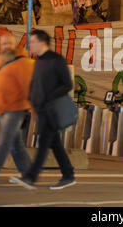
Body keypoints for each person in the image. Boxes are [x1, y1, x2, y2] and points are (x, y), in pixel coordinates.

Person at [12, 30, 76, 190]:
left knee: (43, 144)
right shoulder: (38, 61)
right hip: (41, 110)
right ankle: (68, 175)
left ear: (42, 42)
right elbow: (35, 85)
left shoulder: (56, 60)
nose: (30, 45)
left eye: (32, 41)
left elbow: (67, 84)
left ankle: (30, 178)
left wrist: (49, 97)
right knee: (54, 144)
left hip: (52, 110)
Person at [0, 33, 33, 185]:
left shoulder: (24, 62)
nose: (7, 47)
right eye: (4, 44)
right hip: (1, 108)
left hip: (16, 108)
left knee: (5, 142)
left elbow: (28, 86)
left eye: (9, 44)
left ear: (15, 44)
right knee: (15, 143)